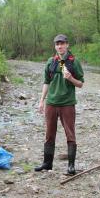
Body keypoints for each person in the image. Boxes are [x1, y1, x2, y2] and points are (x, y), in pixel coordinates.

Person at [35, 34, 84, 175]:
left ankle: (71, 166)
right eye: (57, 44)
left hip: (67, 103)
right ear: (55, 46)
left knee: (70, 134)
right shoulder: (51, 61)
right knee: (49, 134)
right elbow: (46, 82)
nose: (60, 46)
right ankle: (47, 163)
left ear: (67, 45)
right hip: (51, 103)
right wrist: (41, 101)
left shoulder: (74, 62)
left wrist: (71, 78)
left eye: (62, 43)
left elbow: (80, 84)